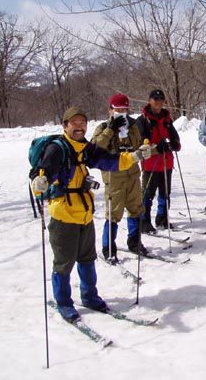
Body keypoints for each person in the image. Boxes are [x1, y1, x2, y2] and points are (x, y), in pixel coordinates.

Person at [30, 106, 153, 322]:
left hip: (84, 214)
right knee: (64, 263)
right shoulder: (58, 149)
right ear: (65, 126)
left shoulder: (84, 147)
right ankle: (64, 303)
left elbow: (109, 161)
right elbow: (42, 172)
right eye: (74, 123)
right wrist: (38, 183)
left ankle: (89, 296)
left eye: (82, 123)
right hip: (64, 216)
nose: (79, 127)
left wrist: (134, 156)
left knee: (87, 259)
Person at [91, 93, 148, 261]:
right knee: (113, 213)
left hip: (132, 173)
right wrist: (111, 130)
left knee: (136, 208)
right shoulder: (102, 128)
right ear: (110, 110)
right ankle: (108, 247)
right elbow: (94, 148)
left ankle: (134, 241)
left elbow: (137, 144)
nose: (122, 112)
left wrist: (143, 149)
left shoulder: (133, 125)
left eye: (124, 109)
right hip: (113, 175)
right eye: (118, 109)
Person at [137, 89, 181, 230]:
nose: (158, 102)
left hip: (166, 162)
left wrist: (174, 143)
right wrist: (156, 146)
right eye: (155, 99)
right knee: (148, 194)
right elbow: (140, 143)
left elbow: (175, 136)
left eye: (161, 99)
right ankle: (144, 221)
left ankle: (162, 218)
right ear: (149, 100)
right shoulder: (142, 120)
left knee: (165, 193)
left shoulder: (167, 118)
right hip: (150, 164)